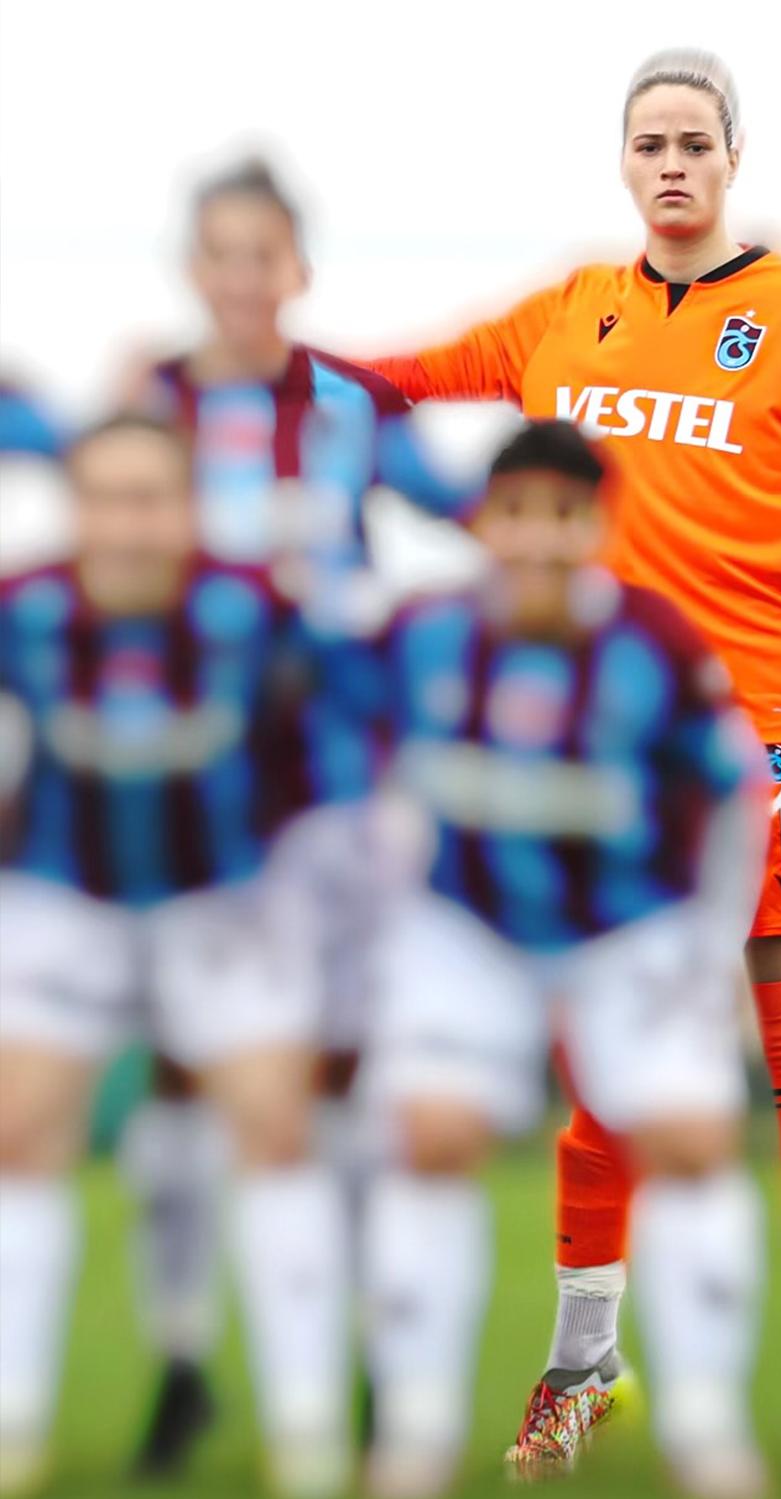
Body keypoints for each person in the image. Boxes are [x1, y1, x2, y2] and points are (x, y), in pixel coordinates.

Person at [362, 47, 781, 1486]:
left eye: (694, 141)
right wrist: (261, 372)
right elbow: (401, 380)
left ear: (733, 155)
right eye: (649, 143)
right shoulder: (574, 312)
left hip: (773, 748)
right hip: (609, 759)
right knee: (605, 1068)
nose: (672, 164)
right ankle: (584, 1365)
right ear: (623, 162)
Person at [116, 156, 476, 1476]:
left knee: (338, 1070)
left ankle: (367, 1350)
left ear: (297, 269)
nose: (241, 276)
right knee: (177, 1073)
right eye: (220, 252)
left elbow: (480, 512)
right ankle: (182, 1355)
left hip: (337, 789)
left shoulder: (347, 406)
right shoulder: (148, 402)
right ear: (193, 266)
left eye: (262, 253)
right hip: (182, 788)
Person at [357, 420, 769, 1499]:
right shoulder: (419, 633)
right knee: (432, 1133)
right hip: (468, 927)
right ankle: (416, 1428)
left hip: (630, 929)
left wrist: (712, 952)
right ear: (483, 522)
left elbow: (738, 795)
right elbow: (343, 768)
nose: (538, 537)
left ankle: (706, 1428)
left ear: (596, 525)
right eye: (517, 513)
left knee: (690, 1141)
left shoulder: (656, 642)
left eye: (563, 515)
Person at [0, 413, 356, 1498]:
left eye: (150, 498)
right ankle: (14, 1429)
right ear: (76, 508)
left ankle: (308, 1433)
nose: (129, 524)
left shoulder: (255, 610)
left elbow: (340, 729)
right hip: (67, 893)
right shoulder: (24, 608)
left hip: (224, 894)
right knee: (18, 1132)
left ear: (190, 506)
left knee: (276, 1126)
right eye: (106, 499)